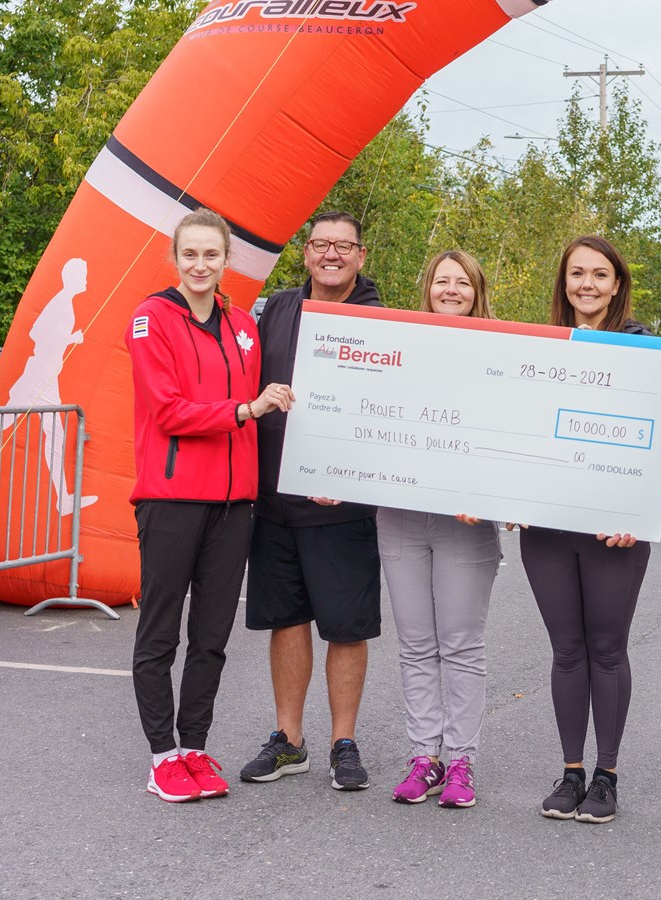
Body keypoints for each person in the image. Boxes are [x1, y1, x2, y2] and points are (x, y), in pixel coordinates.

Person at [126, 208, 294, 803]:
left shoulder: (244, 325)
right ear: (175, 260)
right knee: (160, 635)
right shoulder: (151, 319)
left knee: (212, 636)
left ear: (227, 261)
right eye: (190, 254)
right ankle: (161, 754)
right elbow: (168, 410)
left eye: (211, 255)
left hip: (233, 504)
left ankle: (194, 746)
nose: (201, 265)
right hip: (171, 499)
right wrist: (246, 411)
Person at [241, 210, 384, 791]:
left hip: (344, 503)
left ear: (360, 255)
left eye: (342, 246)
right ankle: (289, 740)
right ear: (305, 252)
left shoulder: (383, 321)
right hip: (275, 495)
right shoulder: (274, 309)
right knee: (286, 618)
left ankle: (342, 742)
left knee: (346, 627)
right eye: (320, 244)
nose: (331, 254)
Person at [525, 235, 654, 825]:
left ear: (617, 284)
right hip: (548, 526)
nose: (587, 284)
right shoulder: (537, 348)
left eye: (600, 275)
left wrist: (634, 511)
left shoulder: (643, 350)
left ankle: (607, 776)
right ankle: (572, 771)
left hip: (613, 531)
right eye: (577, 273)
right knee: (566, 650)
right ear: (564, 282)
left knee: (606, 647)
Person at [382, 251, 502, 809]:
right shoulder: (399, 345)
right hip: (401, 515)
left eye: (462, 283)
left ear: (477, 292)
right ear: (426, 287)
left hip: (466, 523)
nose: (450, 290)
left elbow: (509, 436)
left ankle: (460, 762)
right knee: (414, 644)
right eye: (441, 281)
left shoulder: (501, 355)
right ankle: (423, 757)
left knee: (460, 644)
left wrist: (492, 492)